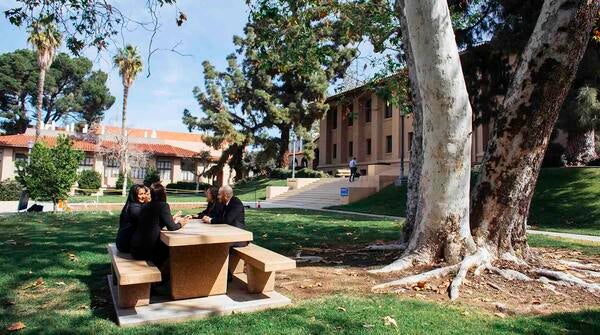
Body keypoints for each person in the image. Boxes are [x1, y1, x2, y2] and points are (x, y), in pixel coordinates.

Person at [131, 182, 189, 268]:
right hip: (146, 250)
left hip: (135, 248)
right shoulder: (163, 206)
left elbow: (154, 223)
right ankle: (164, 277)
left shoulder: (145, 206)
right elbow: (172, 227)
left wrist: (170, 220)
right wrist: (181, 223)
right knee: (174, 251)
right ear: (163, 194)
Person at [115, 185, 149, 253]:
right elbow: (148, 224)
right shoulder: (135, 209)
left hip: (122, 242)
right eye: (140, 194)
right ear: (134, 195)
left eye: (145, 193)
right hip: (126, 245)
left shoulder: (131, 205)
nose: (144, 196)